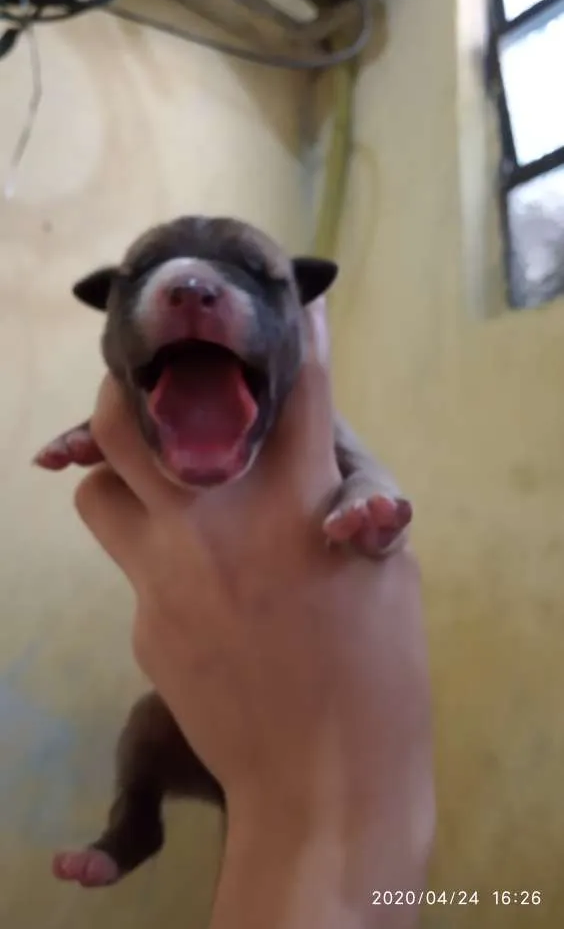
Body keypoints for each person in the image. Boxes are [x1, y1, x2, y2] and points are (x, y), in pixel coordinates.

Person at [74, 298, 435, 928]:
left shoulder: (305, 420)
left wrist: (370, 506)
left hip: (288, 695)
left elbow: (374, 478)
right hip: (202, 697)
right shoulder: (170, 413)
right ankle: (130, 831)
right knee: (145, 737)